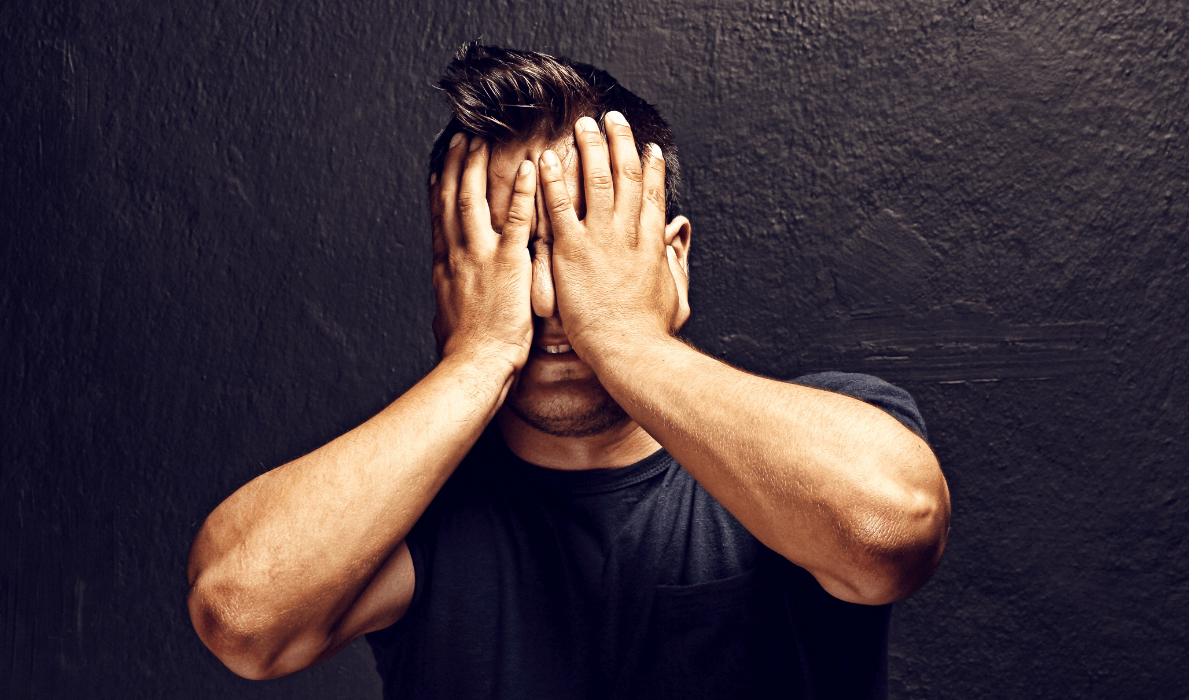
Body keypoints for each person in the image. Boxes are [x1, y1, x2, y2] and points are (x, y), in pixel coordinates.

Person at [187, 43, 950, 699]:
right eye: (512, 246)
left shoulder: (825, 431)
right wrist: (478, 358)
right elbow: (241, 616)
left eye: (584, 242)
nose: (551, 296)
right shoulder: (419, 510)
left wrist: (624, 335)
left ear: (672, 257)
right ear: (453, 273)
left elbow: (887, 531)